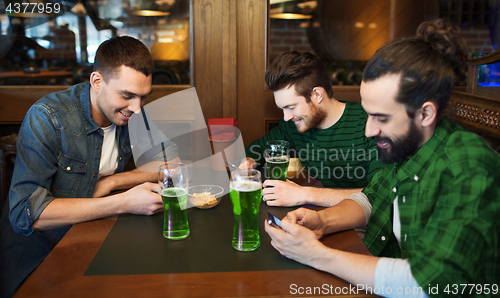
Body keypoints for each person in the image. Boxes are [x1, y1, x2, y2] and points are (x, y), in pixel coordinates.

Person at [265, 19, 500, 297]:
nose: (369, 130)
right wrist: (323, 222)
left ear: (425, 114)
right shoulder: (409, 146)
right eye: (368, 113)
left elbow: (430, 283)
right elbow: (373, 197)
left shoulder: (470, 166)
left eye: (382, 118)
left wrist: (316, 255)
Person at [0, 36, 179, 298]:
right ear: (97, 82)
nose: (137, 108)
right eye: (127, 95)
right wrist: (124, 202)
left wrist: (113, 182)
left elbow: (171, 163)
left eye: (143, 97)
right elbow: (27, 213)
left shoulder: (132, 112)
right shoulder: (48, 117)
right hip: (39, 258)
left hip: (93, 244)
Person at [240, 51, 383, 207]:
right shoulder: (293, 125)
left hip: (367, 223)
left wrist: (304, 194)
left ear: (317, 94)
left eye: (290, 107)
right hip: (327, 215)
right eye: (282, 109)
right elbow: (258, 149)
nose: (286, 117)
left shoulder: (369, 124)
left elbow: (379, 194)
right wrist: (249, 162)